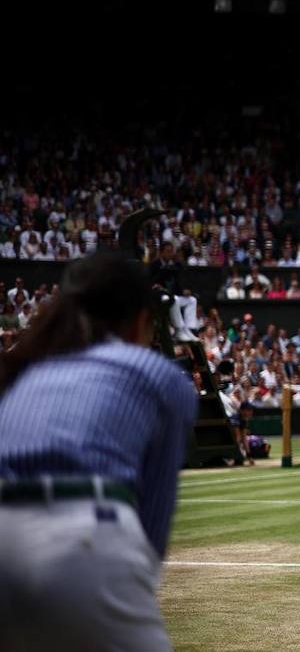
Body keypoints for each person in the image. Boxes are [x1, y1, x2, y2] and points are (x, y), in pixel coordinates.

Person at [0, 251, 198, 651]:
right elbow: (151, 525)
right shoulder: (162, 376)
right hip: (85, 543)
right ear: (143, 321)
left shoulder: (25, 372)